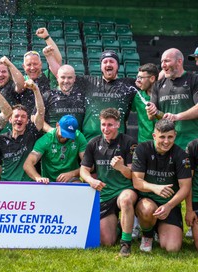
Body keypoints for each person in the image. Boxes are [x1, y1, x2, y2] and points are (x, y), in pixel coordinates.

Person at [80, 108, 137, 257]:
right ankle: (120, 226)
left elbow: (133, 175)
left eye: (110, 125)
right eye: (103, 124)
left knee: (125, 200)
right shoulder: (93, 143)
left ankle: (126, 244)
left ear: (118, 124)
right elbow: (83, 170)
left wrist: (121, 168)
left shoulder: (129, 142)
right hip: (105, 193)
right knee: (107, 241)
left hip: (124, 189)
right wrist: (91, 180)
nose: (106, 129)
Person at [132, 119, 191, 252]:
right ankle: (147, 235)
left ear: (175, 135)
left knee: (172, 248)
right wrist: (155, 188)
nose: (166, 141)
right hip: (148, 201)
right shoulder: (142, 149)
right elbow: (137, 182)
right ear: (154, 136)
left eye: (170, 137)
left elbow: (186, 187)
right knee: (147, 210)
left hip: (169, 205)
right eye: (162, 137)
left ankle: (158, 229)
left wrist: (169, 206)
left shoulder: (181, 155)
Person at [146, 48, 198, 150]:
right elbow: (150, 117)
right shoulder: (158, 85)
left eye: (167, 61)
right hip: (166, 144)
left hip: (191, 142)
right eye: (161, 61)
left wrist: (177, 116)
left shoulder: (194, 80)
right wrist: (151, 111)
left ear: (179, 61)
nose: (162, 65)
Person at [0, 79, 44, 181]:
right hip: (7, 185)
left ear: (27, 121)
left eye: (23, 117)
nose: (19, 119)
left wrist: (36, 90)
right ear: (10, 119)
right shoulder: (1, 139)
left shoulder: (32, 134)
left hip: (29, 185)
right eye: (16, 116)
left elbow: (41, 111)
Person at [24, 114, 86, 183]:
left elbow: (89, 166)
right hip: (48, 183)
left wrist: (72, 174)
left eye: (69, 135)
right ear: (57, 125)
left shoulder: (78, 137)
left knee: (77, 183)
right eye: (63, 133)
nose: (65, 137)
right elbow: (27, 164)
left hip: (72, 180)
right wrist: (38, 178)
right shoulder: (46, 140)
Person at [39, 50, 86, 131]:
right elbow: (36, 118)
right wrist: (52, 131)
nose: (66, 81)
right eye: (63, 77)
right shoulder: (48, 95)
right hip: (54, 139)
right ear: (57, 77)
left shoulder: (82, 96)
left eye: (70, 78)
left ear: (74, 78)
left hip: (76, 140)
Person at [0, 56, 23, 123]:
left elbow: (21, 85)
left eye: (4, 72)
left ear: (9, 74)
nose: (0, 74)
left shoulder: (11, 87)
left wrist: (9, 64)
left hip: (9, 132)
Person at [132, 63, 159, 143]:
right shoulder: (137, 96)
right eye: (137, 77)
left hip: (162, 141)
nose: (137, 80)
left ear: (152, 78)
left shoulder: (163, 95)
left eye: (141, 78)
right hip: (143, 142)